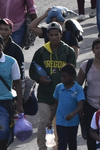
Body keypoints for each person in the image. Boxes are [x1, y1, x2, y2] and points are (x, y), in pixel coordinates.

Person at [30, 20, 79, 148]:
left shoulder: (68, 52)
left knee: (59, 126)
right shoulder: (41, 52)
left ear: (61, 34)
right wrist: (39, 78)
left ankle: (56, 147)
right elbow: (32, 71)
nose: (53, 37)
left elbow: (73, 74)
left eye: (56, 34)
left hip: (63, 96)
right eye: (51, 35)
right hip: (44, 95)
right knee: (44, 122)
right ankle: (42, 147)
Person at [54, 64, 85, 150]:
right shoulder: (59, 87)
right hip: (60, 121)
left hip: (73, 122)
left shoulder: (78, 89)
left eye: (65, 77)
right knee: (61, 144)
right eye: (62, 76)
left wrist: (72, 114)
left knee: (72, 143)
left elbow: (80, 105)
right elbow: (56, 103)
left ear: (72, 76)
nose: (63, 79)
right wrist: (50, 119)